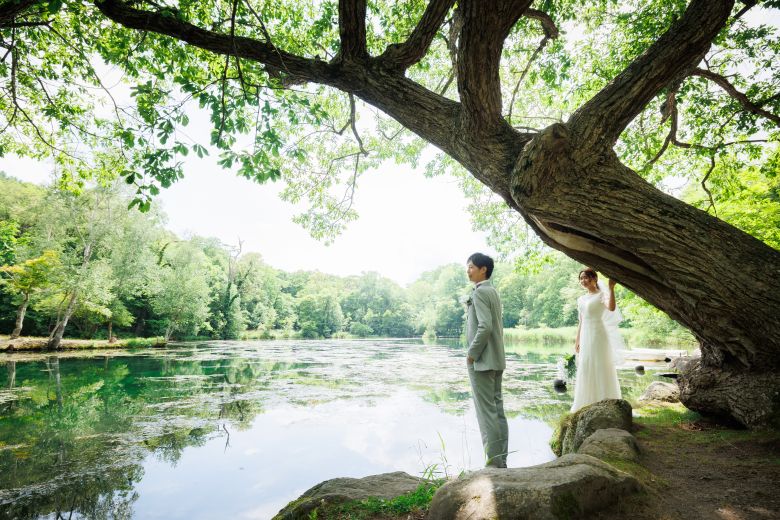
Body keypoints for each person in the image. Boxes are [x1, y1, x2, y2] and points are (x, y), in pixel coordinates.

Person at [465, 252, 508, 468]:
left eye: (471, 266)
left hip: (482, 361)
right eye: (468, 267)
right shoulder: (493, 291)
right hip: (497, 359)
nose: (468, 270)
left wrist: (472, 354)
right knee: (497, 411)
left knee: (486, 413)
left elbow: (485, 326)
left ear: (483, 270)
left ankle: (492, 464)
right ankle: (501, 461)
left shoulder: (480, 292)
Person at [570, 268, 623, 413]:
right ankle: (585, 402)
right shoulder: (581, 299)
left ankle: (605, 401)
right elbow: (581, 321)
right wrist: (577, 340)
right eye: (581, 278)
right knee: (586, 365)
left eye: (586, 277)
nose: (583, 281)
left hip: (598, 334)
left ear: (594, 279)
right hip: (585, 335)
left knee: (600, 365)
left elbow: (611, 308)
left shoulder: (602, 295)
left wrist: (611, 288)